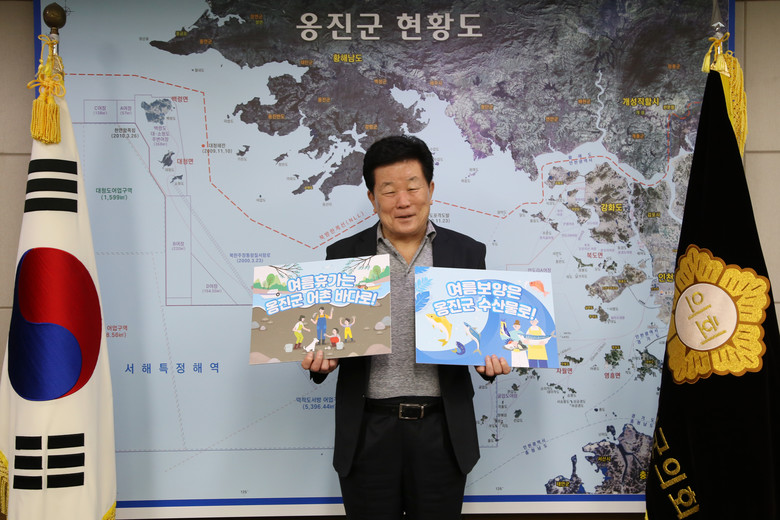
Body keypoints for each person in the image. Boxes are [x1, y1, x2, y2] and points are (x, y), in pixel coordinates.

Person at [302, 135, 510, 519]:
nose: (403, 201)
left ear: (430, 189)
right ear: (372, 198)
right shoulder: (342, 256)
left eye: (413, 187)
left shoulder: (466, 253)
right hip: (367, 430)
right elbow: (326, 335)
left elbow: (482, 334)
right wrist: (321, 361)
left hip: (442, 431)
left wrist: (489, 361)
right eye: (389, 190)